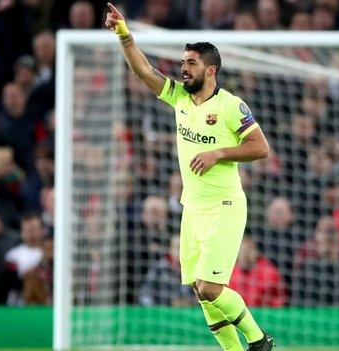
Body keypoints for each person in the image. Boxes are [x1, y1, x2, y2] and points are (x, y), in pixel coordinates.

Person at [105, 4, 273, 351]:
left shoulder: (230, 105)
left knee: (211, 288)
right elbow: (144, 72)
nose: (183, 68)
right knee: (201, 292)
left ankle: (259, 340)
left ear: (210, 70)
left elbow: (261, 147)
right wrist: (124, 35)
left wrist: (219, 153)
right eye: (183, 62)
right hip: (193, 209)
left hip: (224, 207)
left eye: (191, 63)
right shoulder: (180, 98)